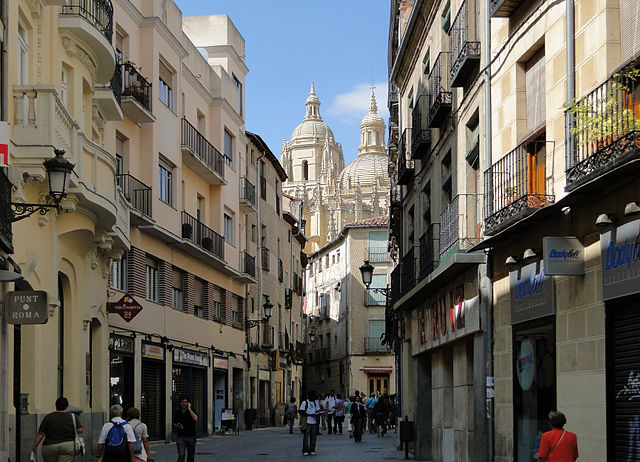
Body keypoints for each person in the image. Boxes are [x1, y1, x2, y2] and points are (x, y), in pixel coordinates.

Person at [31, 397, 83, 462]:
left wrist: (35, 446)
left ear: (56, 405)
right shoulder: (72, 416)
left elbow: (41, 434)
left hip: (50, 446)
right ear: (67, 406)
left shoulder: (48, 417)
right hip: (67, 446)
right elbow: (80, 429)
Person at [173, 396, 198, 462]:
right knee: (181, 454)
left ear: (188, 403)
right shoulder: (178, 412)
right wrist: (177, 425)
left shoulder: (192, 410)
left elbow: (195, 418)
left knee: (191, 455)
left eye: (185, 402)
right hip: (181, 436)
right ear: (180, 403)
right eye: (182, 402)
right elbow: (174, 423)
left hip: (191, 436)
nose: (184, 403)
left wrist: (189, 409)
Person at [299, 390, 321, 456]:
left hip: (314, 422)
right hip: (307, 422)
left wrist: (318, 413)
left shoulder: (315, 403)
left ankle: (312, 449)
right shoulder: (305, 402)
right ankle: (305, 450)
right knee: (306, 437)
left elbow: (318, 410)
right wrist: (309, 414)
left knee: (313, 437)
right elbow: (301, 411)